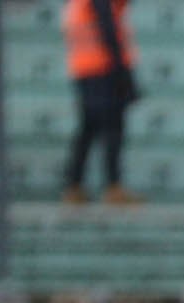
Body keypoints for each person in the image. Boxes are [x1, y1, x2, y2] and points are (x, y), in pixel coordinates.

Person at [62, 0, 142, 206]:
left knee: (89, 127)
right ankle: (113, 186)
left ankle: (74, 185)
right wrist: (123, 73)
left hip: (84, 69)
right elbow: (108, 29)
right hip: (104, 69)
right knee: (113, 128)